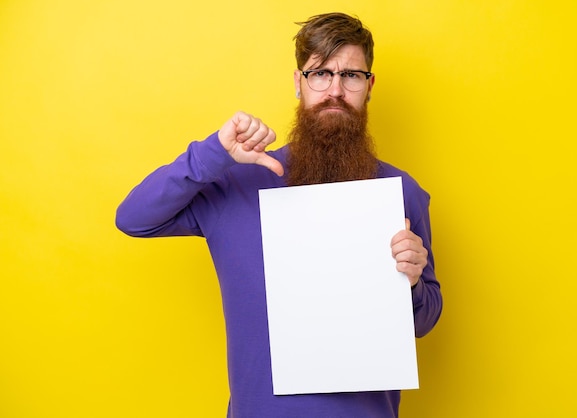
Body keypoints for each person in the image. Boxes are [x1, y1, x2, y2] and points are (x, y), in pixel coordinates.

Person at [116, 12, 442, 418]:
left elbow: (424, 319)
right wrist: (213, 152)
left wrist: (411, 282)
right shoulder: (237, 181)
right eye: (319, 73)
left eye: (351, 76)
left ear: (369, 86)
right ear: (298, 82)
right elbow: (134, 218)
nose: (335, 90)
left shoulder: (401, 191)